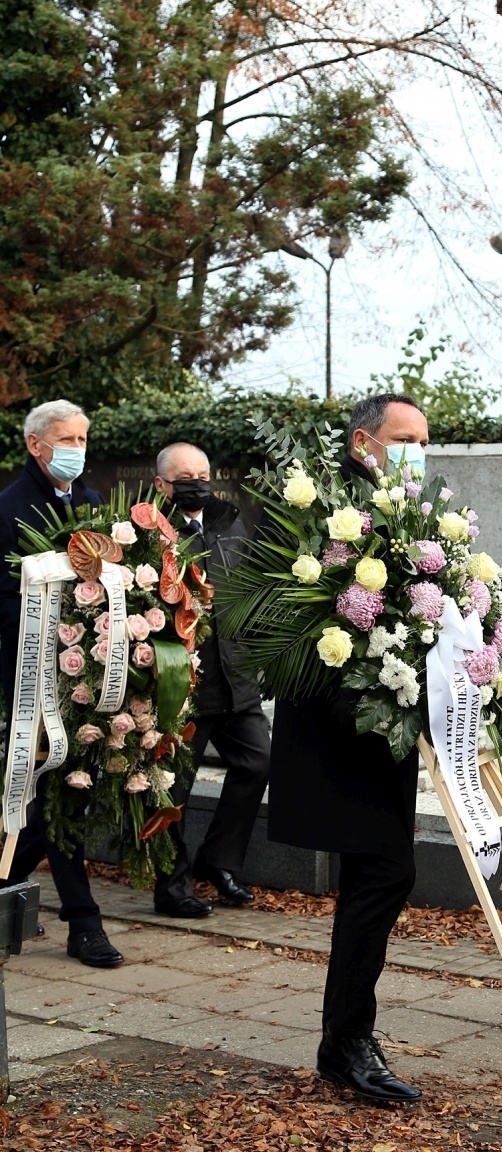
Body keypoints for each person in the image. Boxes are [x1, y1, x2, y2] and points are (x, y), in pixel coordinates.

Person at [268, 394, 428, 1104]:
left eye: (426, 439)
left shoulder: (404, 513)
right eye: (406, 438)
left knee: (383, 875)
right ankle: (345, 1043)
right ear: (365, 441)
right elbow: (300, 617)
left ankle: (346, 1039)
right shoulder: (329, 514)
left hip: (384, 726)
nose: (418, 450)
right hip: (344, 725)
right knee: (385, 872)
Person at [0, 400, 124, 968]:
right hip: (29, 677)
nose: (76, 448)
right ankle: (84, 921)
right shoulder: (8, 507)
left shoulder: (92, 502)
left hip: (86, 668)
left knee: (59, 791)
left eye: (82, 438)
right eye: (66, 439)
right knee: (58, 790)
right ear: (35, 445)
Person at [151, 442, 270, 917]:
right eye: (184, 476)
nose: (196, 482)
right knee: (172, 787)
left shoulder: (229, 521)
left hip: (236, 678)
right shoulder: (147, 530)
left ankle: (218, 863)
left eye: (202, 473)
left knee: (258, 763)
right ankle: (173, 886)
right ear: (162, 484)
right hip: (184, 686)